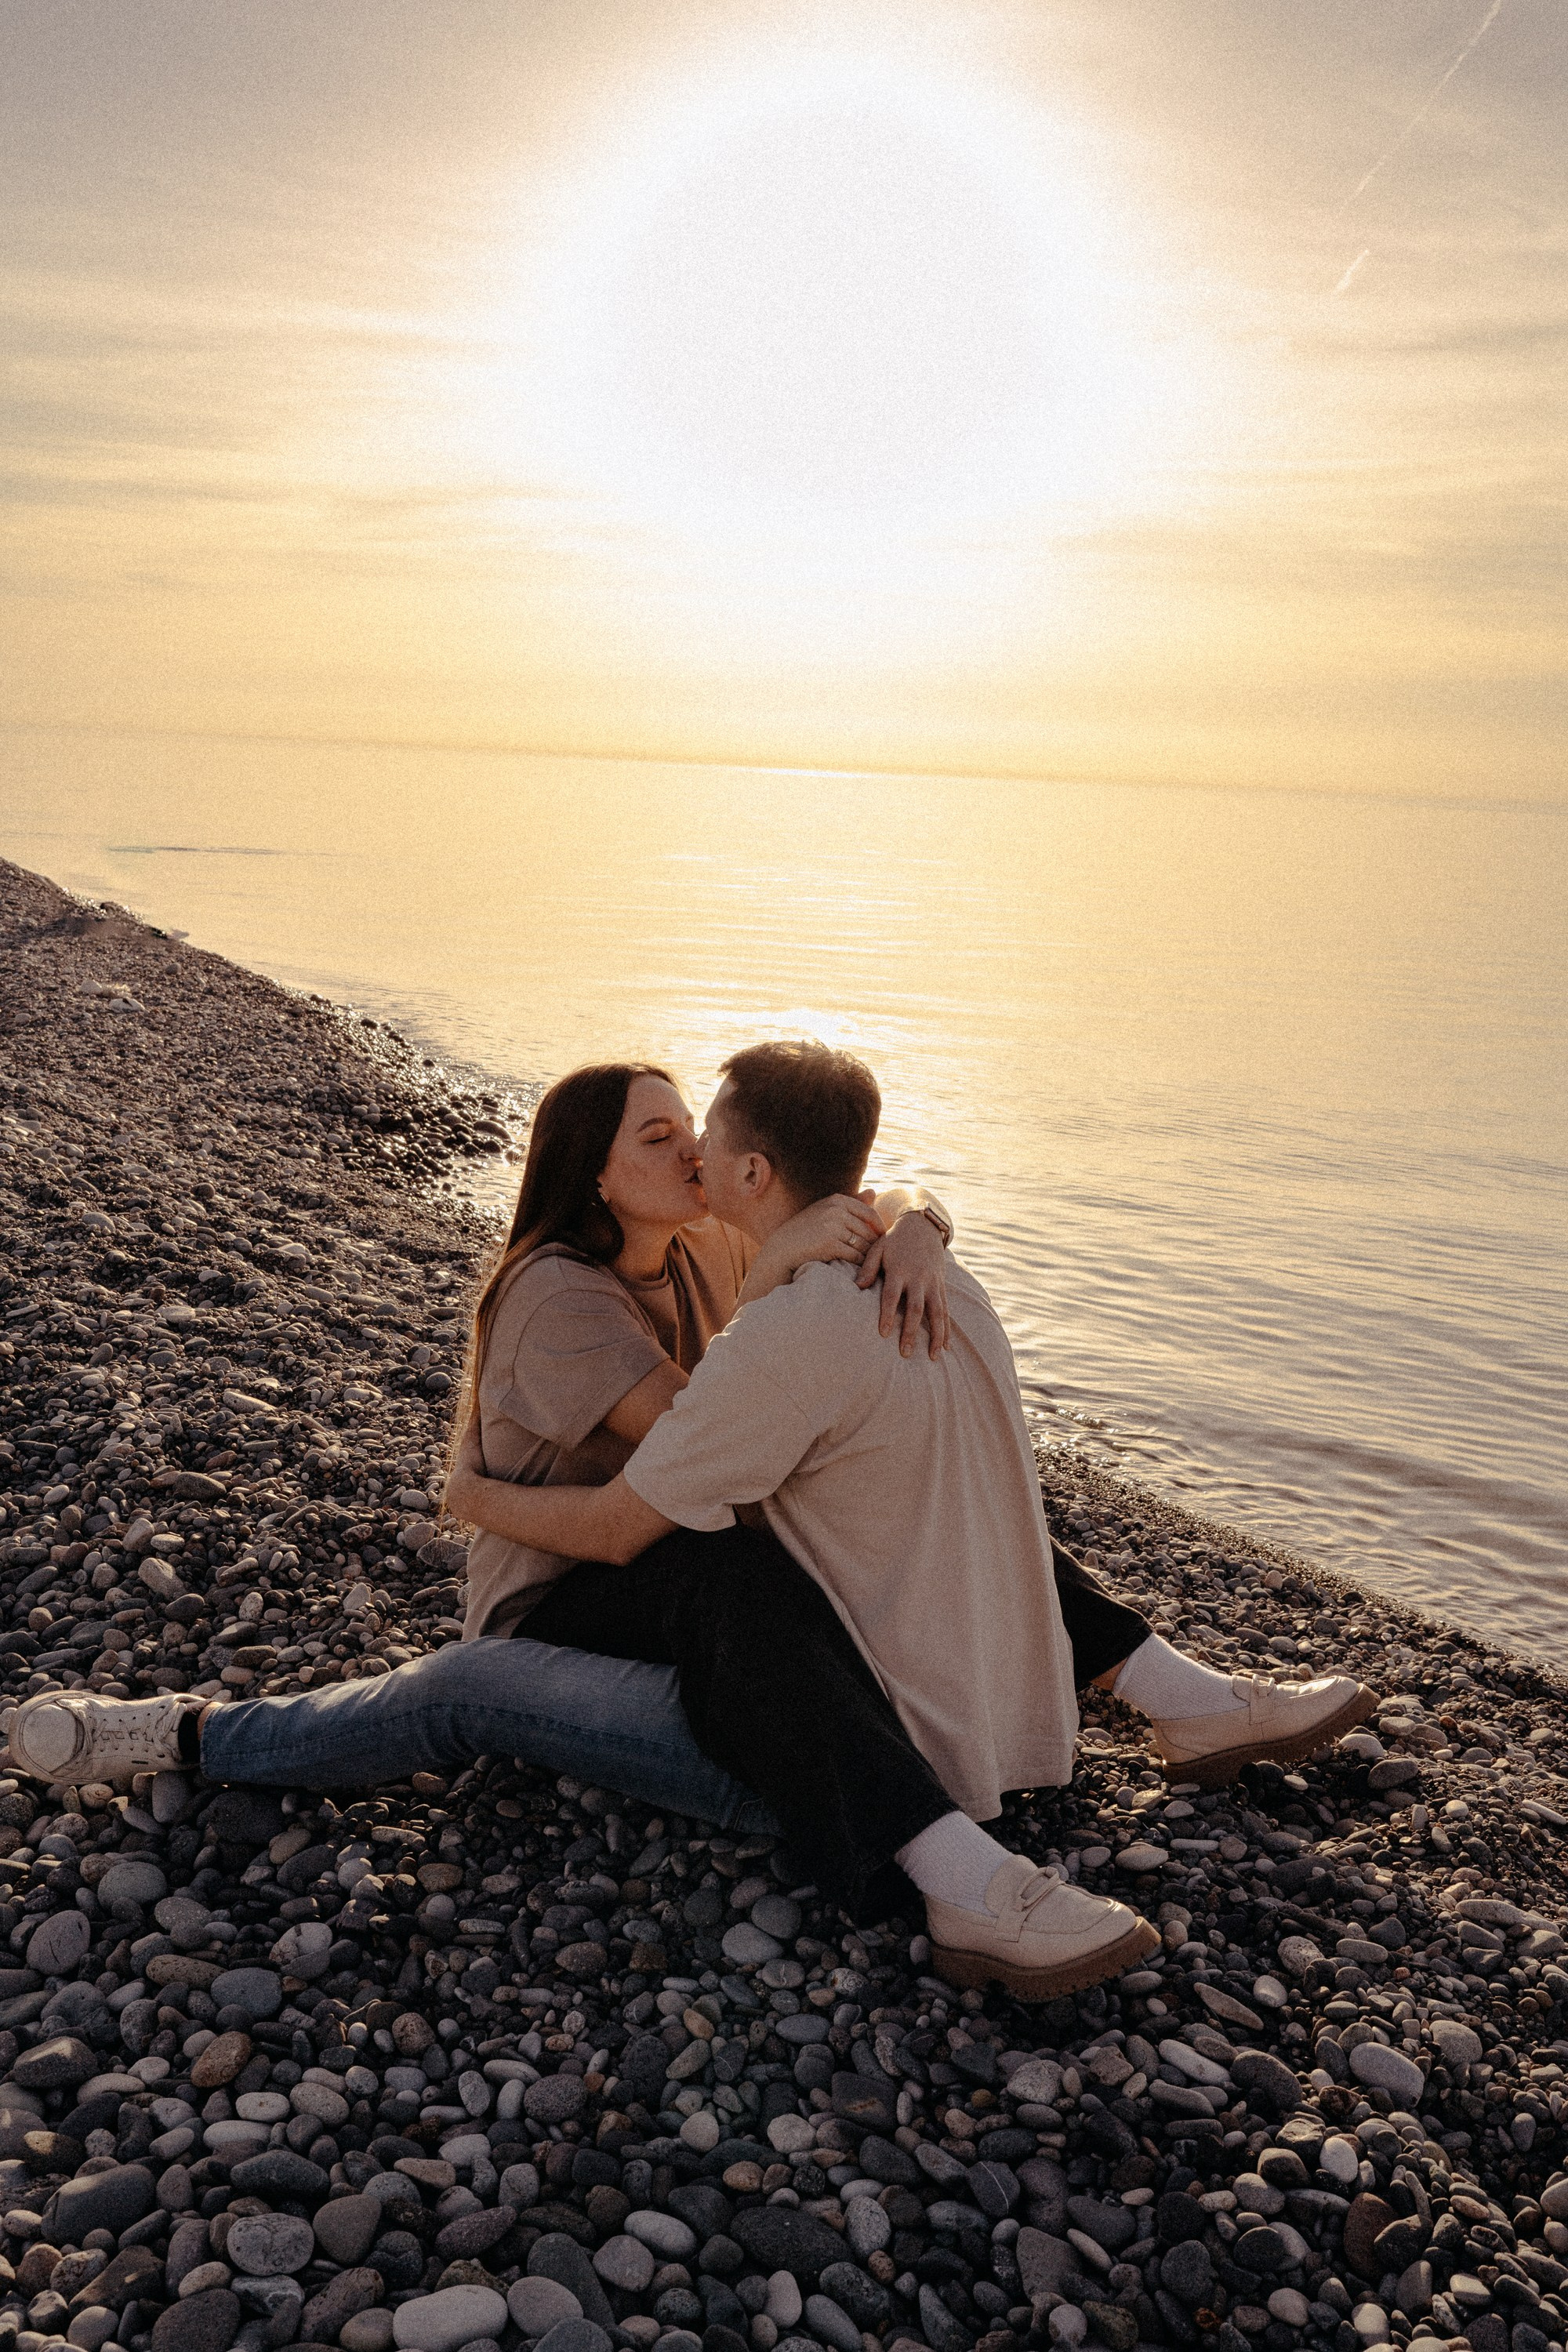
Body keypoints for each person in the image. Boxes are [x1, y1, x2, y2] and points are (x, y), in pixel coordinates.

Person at [434, 1044, 1376, 1991]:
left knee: (926, 1490)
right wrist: (472, 1500)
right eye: (658, 1136)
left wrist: (920, 1224)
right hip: (564, 1589)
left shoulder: (700, 1239)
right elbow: (696, 1439)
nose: (689, 1152)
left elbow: (868, 1199)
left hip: (671, 1525)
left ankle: (1180, 1698)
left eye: (692, 1130)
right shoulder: (559, 1294)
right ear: (591, 1174)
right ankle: (955, 1875)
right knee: (739, 1577)